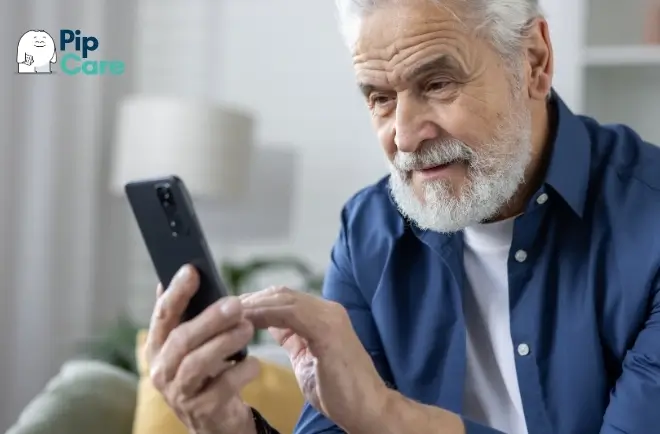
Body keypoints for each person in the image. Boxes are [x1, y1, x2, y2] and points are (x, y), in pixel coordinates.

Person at [144, 0, 660, 433]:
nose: (406, 136)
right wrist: (232, 427)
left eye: (437, 83)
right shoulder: (368, 231)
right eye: (380, 98)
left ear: (534, 62)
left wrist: (386, 415)